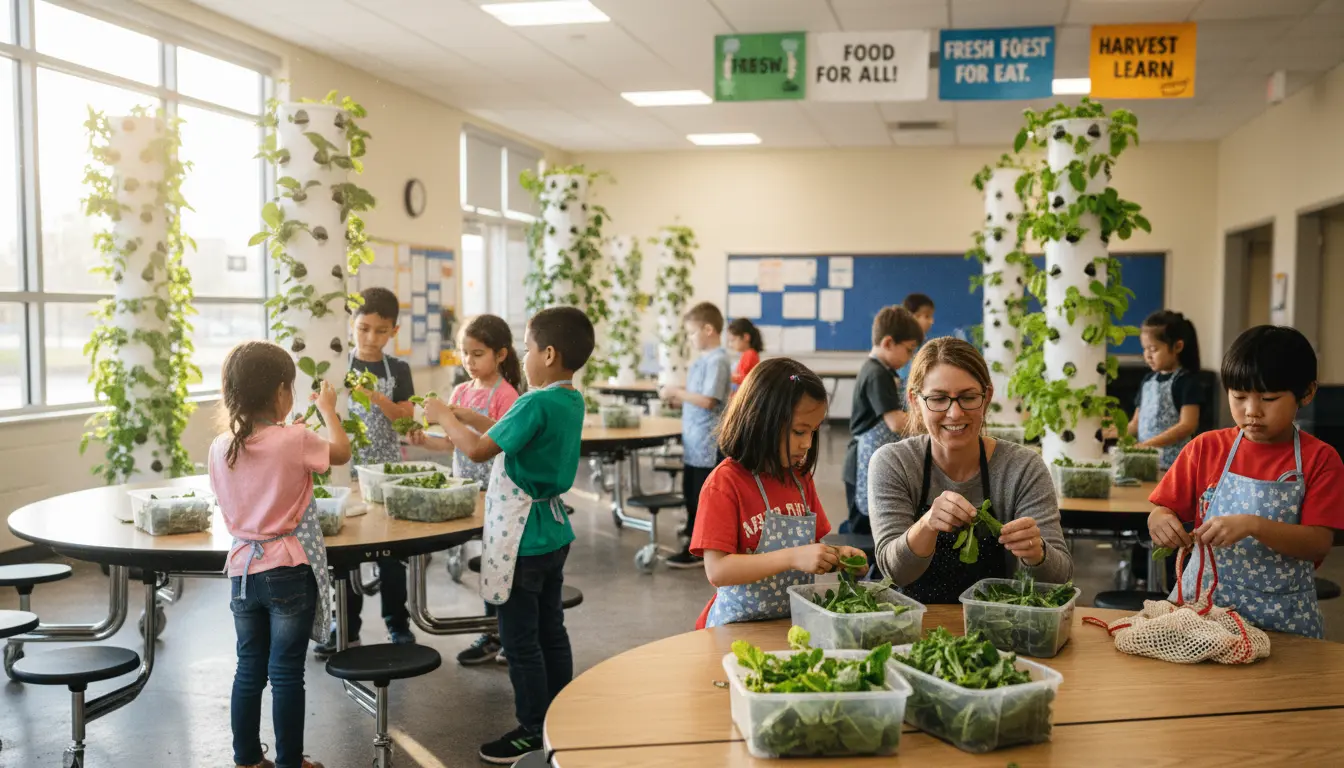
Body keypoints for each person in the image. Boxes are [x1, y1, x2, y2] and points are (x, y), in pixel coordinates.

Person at [422, 306, 592, 763]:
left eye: (528, 349)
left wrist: (442, 416)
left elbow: (479, 451)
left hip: (522, 539)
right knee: (551, 631)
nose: (525, 356)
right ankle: (561, 714)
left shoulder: (533, 401)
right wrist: (463, 413)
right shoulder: (568, 399)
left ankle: (533, 729)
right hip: (553, 533)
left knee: (519, 642)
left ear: (549, 353)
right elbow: (501, 433)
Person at [1148, 326, 1343, 638]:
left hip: (1283, 622)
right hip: (1202, 616)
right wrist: (1159, 519)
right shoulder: (1206, 448)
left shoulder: (1320, 459)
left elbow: (1319, 543)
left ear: (1307, 393)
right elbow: (1162, 508)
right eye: (1239, 397)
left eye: (1268, 398)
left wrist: (1254, 525)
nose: (1251, 411)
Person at [209, 341, 350, 768]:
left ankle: (247, 759)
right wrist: (327, 410)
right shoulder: (295, 439)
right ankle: (291, 762)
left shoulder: (221, 446)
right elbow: (340, 453)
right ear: (281, 391)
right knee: (287, 671)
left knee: (248, 666)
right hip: (287, 569)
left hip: (241, 571)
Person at [868, 338, 1074, 602]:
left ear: (986, 397)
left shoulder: (1023, 468)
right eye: (939, 399)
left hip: (998, 626)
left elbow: (1061, 579)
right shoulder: (894, 463)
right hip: (910, 626)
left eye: (968, 397)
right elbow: (895, 572)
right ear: (915, 400)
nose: (955, 413)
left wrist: (1038, 553)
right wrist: (927, 524)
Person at [690, 358, 867, 629]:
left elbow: (810, 548)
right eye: (799, 431)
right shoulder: (725, 484)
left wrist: (837, 555)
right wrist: (794, 557)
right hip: (736, 627)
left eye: (813, 432)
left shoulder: (800, 479)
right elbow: (718, 571)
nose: (807, 443)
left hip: (792, 624)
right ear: (761, 420)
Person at [411, 315, 523, 667]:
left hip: (499, 494)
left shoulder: (507, 395)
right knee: (489, 562)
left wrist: (460, 418)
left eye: (478, 354)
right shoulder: (460, 391)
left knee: (499, 563)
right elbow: (451, 444)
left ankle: (502, 634)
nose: (469, 361)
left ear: (500, 354)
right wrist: (424, 441)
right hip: (467, 491)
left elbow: (506, 436)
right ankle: (494, 631)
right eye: (464, 354)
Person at [314, 287, 416, 658]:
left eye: (381, 331)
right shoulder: (339, 368)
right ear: (352, 326)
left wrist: (378, 398)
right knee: (348, 553)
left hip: (387, 471)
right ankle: (348, 627)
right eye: (364, 329)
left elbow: (406, 418)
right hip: (347, 469)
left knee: (392, 554)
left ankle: (398, 625)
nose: (371, 338)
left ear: (394, 332)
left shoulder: (399, 370)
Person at [660, 302, 732, 568]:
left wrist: (677, 392)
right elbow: (697, 398)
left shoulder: (718, 360)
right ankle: (693, 537)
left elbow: (709, 400)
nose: (690, 338)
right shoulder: (703, 361)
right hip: (695, 442)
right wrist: (678, 400)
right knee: (690, 492)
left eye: (692, 333)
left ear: (709, 329)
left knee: (702, 496)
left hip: (708, 442)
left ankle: (699, 548)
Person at [843, 306, 923, 535]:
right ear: (888, 343)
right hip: (862, 462)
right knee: (864, 532)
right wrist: (928, 422)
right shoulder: (876, 373)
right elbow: (896, 422)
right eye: (908, 350)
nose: (909, 358)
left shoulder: (884, 371)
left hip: (871, 459)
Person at [1128, 310, 1203, 470]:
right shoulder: (1148, 381)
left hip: (1175, 467)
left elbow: (1187, 425)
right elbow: (1135, 423)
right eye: (1145, 349)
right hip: (1147, 465)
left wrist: (1148, 445)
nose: (1147, 355)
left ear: (1177, 346)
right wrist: (1110, 432)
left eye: (1153, 349)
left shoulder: (1186, 381)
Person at [727, 317, 763, 394]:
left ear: (746, 337)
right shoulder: (747, 354)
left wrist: (729, 377)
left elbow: (747, 379)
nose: (730, 345)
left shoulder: (750, 354)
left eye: (733, 340)